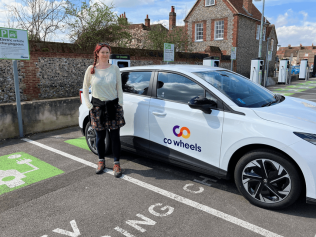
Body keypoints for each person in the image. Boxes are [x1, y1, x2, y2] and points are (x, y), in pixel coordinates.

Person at [82, 43, 125, 177]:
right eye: (103, 52)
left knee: (115, 137)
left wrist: (120, 104)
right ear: (97, 53)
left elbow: (119, 88)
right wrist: (89, 106)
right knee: (100, 137)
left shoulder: (115, 69)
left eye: (107, 52)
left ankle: (116, 163)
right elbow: (85, 88)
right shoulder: (91, 69)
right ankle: (101, 161)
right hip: (97, 107)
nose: (105, 54)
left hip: (113, 106)